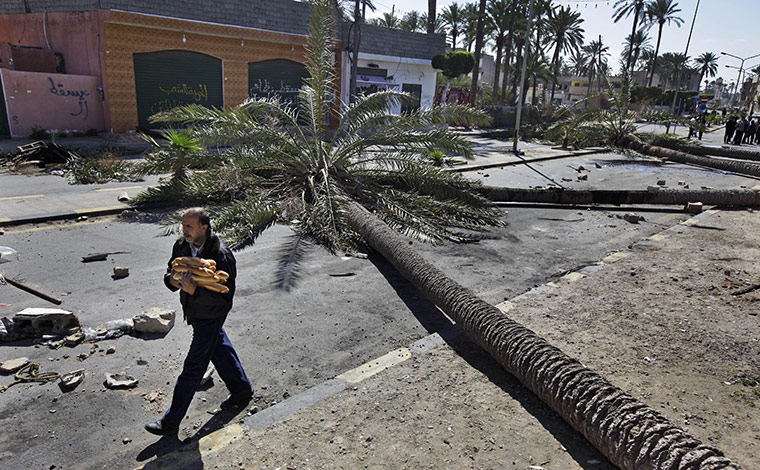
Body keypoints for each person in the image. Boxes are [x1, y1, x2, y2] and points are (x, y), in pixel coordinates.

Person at [145, 208, 252, 436]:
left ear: (204, 227)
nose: (185, 231)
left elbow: (224, 300)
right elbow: (170, 272)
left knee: (194, 367)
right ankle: (241, 390)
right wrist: (172, 282)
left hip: (212, 314)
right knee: (218, 346)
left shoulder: (221, 255)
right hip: (194, 312)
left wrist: (195, 291)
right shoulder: (181, 246)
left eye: (190, 226)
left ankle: (170, 421)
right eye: (183, 226)